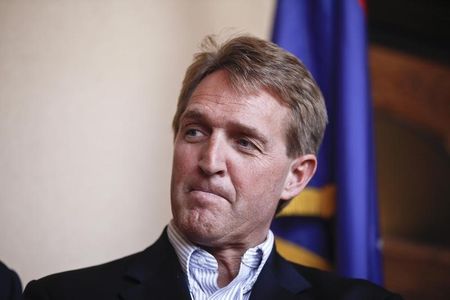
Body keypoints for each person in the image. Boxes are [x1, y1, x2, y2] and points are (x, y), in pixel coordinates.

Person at [23, 35, 402, 299]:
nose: (209, 161)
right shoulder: (60, 295)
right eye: (194, 132)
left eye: (244, 142)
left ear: (296, 176)